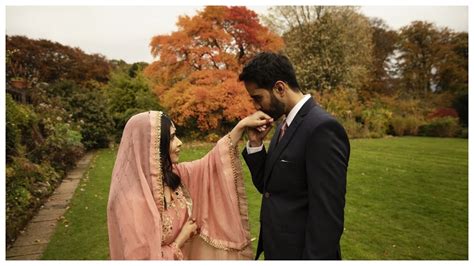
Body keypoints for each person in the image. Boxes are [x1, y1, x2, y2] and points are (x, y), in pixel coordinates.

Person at [107, 110, 272, 260]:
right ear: (152, 146)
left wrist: (241, 126)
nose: (179, 143)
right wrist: (181, 239)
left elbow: (210, 164)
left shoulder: (172, 176)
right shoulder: (130, 203)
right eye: (171, 138)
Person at [239, 52, 350, 260]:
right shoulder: (283, 125)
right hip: (278, 250)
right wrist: (255, 144)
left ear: (280, 88)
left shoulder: (322, 128)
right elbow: (269, 186)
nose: (256, 106)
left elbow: (327, 217)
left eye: (258, 97)